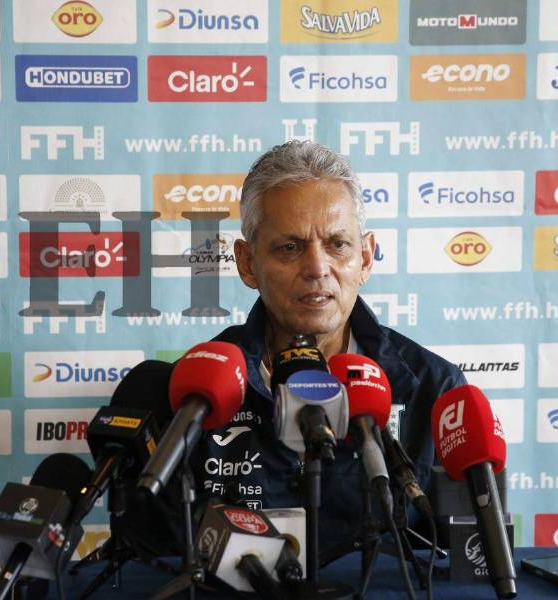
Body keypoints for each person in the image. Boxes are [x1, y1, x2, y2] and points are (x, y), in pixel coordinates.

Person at [111, 140, 465, 556]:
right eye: (290, 247)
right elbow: (154, 562)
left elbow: (467, 563)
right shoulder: (192, 397)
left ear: (366, 258)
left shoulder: (435, 390)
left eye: (337, 244)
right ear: (247, 263)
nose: (317, 268)